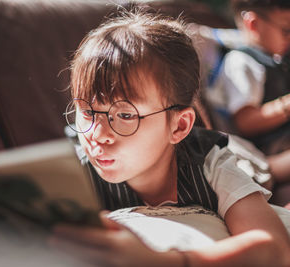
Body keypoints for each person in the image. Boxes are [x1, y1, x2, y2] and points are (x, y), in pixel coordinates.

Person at [48, 9, 290, 267]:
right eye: (87, 112)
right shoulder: (76, 171)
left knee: (264, 168)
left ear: (178, 126)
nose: (97, 136)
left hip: (240, 156)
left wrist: (166, 261)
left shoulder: (212, 164)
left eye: (126, 115)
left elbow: (274, 248)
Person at [206, 0, 290, 192]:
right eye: (286, 30)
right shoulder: (242, 62)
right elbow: (245, 121)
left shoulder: (277, 58)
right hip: (269, 151)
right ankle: (272, 177)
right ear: (253, 23)